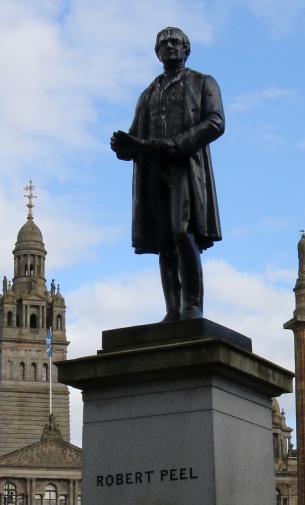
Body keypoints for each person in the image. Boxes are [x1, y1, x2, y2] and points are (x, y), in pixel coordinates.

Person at [111, 27, 224, 321]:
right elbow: (137, 136)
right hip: (153, 172)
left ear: (187, 50)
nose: (170, 47)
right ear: (157, 53)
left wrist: (177, 143)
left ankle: (192, 305)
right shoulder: (148, 94)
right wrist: (124, 146)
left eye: (176, 42)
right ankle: (172, 309)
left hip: (183, 167)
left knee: (180, 231)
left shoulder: (202, 82)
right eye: (163, 44)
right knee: (164, 240)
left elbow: (215, 122)